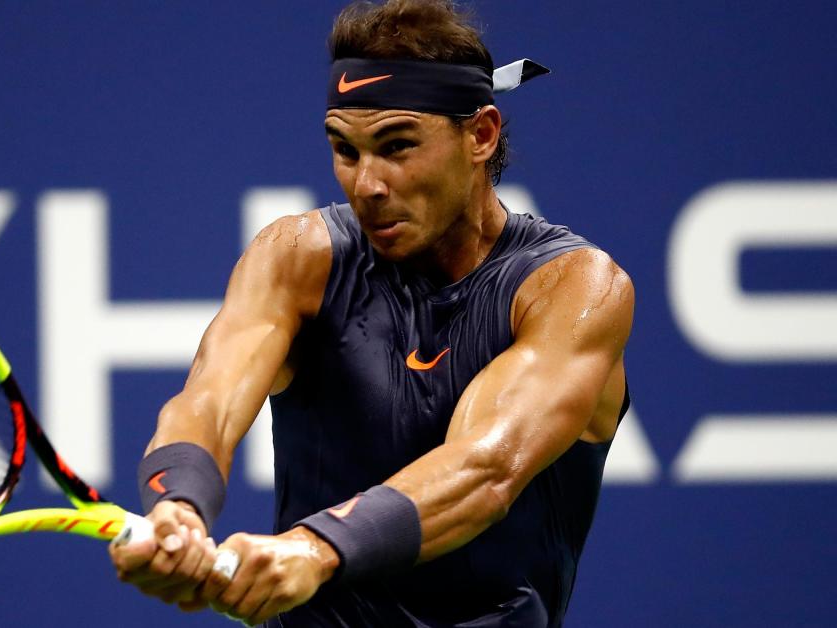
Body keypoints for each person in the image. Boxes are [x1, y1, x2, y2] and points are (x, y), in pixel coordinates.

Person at [109, 1, 634, 625]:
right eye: (345, 149)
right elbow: (209, 403)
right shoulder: (297, 257)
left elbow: (484, 469)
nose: (366, 184)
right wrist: (179, 503)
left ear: (481, 135)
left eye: (397, 145)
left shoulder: (572, 287)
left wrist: (315, 548)